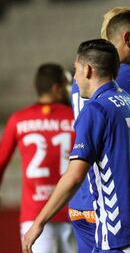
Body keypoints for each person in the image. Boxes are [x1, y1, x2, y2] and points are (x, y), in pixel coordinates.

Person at [22, 39, 130, 253]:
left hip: (118, 236)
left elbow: (74, 176)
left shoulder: (95, 110)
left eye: (76, 70)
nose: (74, 78)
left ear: (88, 69)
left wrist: (39, 223)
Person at [0, 63, 76, 253]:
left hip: (34, 215)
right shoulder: (76, 117)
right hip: (75, 213)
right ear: (57, 88)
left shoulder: (18, 119)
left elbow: (1, 162)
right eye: (68, 84)